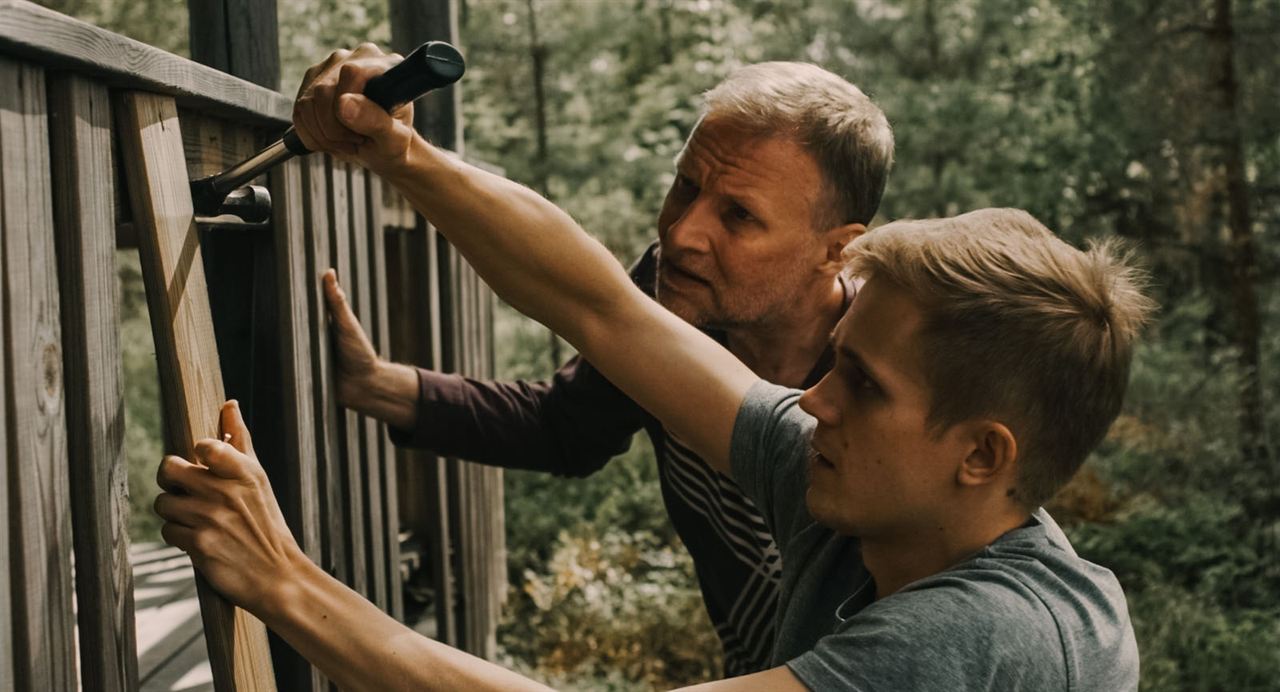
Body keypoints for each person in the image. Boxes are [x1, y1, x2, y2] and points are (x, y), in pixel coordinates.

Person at [154, 45, 1150, 690]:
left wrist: (283, 578)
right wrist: (399, 155)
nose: (811, 397)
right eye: (837, 363)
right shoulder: (866, 489)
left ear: (981, 454)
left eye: (864, 386)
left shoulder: (974, 640)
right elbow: (602, 309)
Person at [320, 50, 892, 675]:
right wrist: (377, 386)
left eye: (739, 215)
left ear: (837, 249)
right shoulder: (674, 295)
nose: (681, 234)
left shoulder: (895, 384)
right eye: (686, 185)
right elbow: (566, 427)